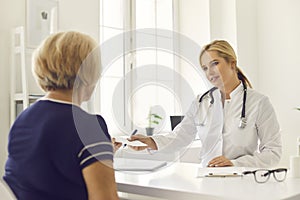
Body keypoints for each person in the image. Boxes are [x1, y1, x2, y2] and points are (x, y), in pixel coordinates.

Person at [128, 40, 282, 168]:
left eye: (215, 64)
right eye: (205, 68)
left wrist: (236, 164)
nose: (210, 72)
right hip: (206, 180)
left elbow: (273, 152)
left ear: (232, 64)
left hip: (243, 181)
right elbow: (180, 136)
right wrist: (152, 142)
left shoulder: (259, 103)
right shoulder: (201, 102)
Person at [3, 31, 119, 200]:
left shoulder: (23, 120)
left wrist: (101, 151)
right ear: (88, 74)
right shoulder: (88, 127)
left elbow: (51, 170)